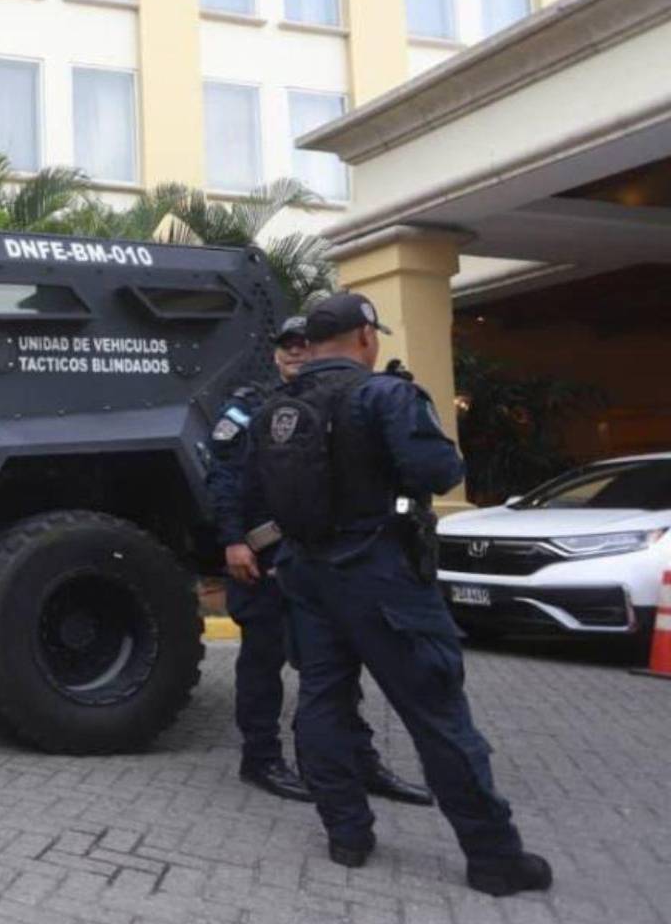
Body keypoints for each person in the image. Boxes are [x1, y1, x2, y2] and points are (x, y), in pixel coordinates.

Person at [254, 293, 551, 897]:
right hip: (379, 574)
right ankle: (493, 856)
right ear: (365, 337)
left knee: (322, 703)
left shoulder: (277, 407)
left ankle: (347, 835)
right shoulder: (385, 395)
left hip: (307, 572)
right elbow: (440, 473)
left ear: (309, 343)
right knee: (437, 712)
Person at [206, 315, 431, 807]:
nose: (294, 353)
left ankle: (353, 760)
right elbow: (222, 481)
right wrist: (233, 542)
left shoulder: (341, 403)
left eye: (303, 346)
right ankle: (261, 759)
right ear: (274, 353)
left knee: (333, 667)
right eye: (285, 345)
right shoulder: (249, 409)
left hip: (318, 558)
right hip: (261, 555)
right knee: (263, 661)